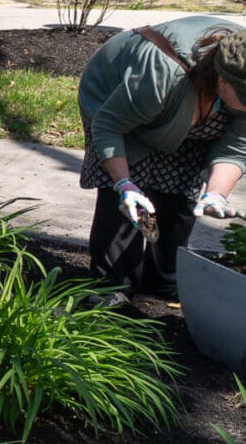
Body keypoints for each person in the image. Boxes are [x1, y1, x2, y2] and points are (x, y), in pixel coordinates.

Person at [77, 18, 246, 304]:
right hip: (120, 109)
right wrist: (125, 185)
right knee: (129, 211)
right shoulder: (162, 73)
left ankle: (161, 281)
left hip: (186, 115)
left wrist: (216, 193)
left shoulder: (237, 87)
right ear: (222, 80)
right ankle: (112, 287)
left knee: (180, 199)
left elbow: (236, 148)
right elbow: (108, 126)